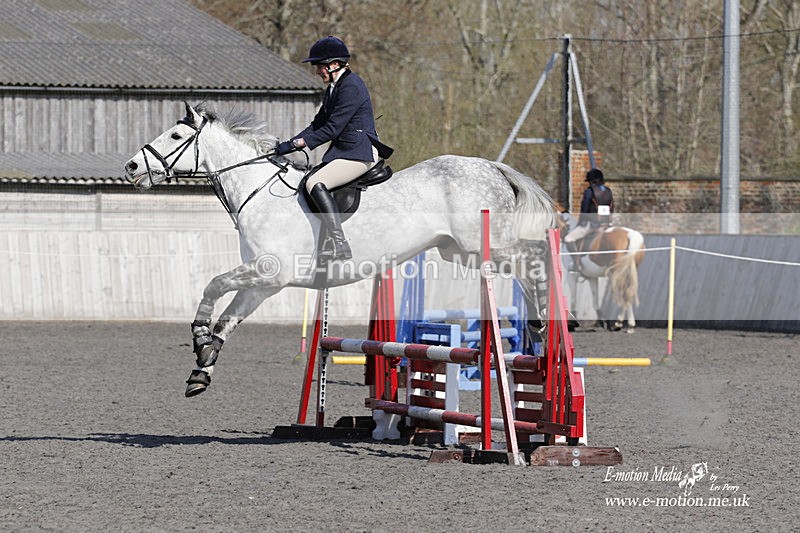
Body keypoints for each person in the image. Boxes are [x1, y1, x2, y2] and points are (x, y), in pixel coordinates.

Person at [276, 36, 393, 261]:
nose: (317, 71)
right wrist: (289, 144)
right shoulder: (333, 88)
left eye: (319, 66)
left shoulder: (352, 86)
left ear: (333, 64)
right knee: (309, 179)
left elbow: (332, 129)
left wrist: (299, 144)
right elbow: (317, 125)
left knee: (314, 183)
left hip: (359, 152)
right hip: (345, 151)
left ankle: (340, 244)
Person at [563, 168, 614, 271]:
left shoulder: (589, 192)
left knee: (568, 239)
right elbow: (612, 207)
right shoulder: (608, 191)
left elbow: (585, 209)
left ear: (591, 181)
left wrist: (580, 223)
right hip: (607, 224)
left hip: (592, 225)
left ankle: (576, 263)